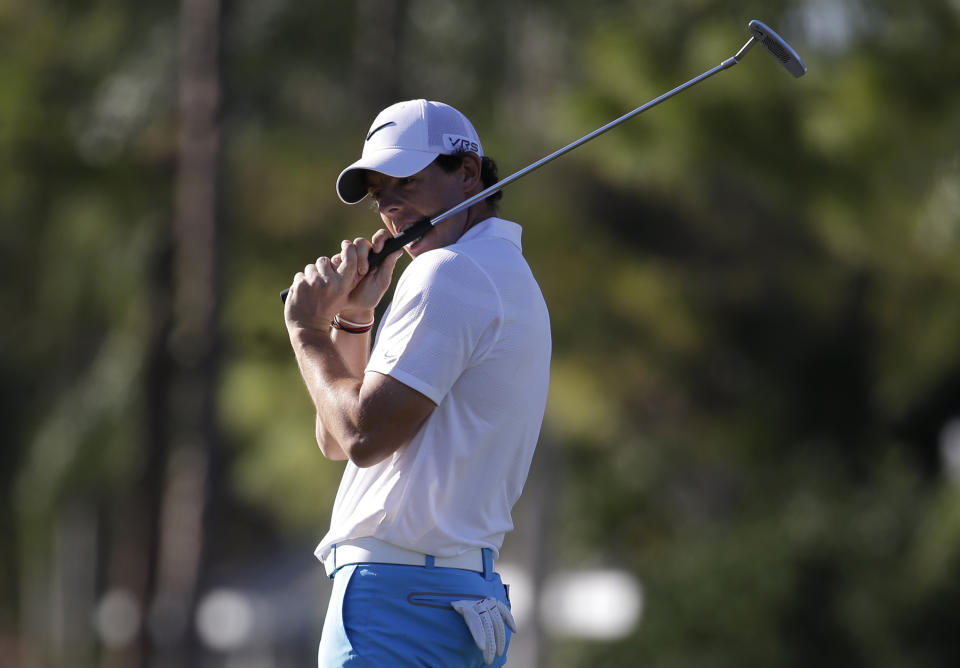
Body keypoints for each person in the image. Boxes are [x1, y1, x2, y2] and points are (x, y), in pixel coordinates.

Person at [283, 99, 551, 667]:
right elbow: (338, 441)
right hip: (451, 598)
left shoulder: (447, 273)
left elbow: (361, 437)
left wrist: (306, 331)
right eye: (380, 191)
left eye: (407, 180)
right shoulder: (503, 272)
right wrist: (354, 319)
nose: (390, 205)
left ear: (469, 173)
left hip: (396, 601)